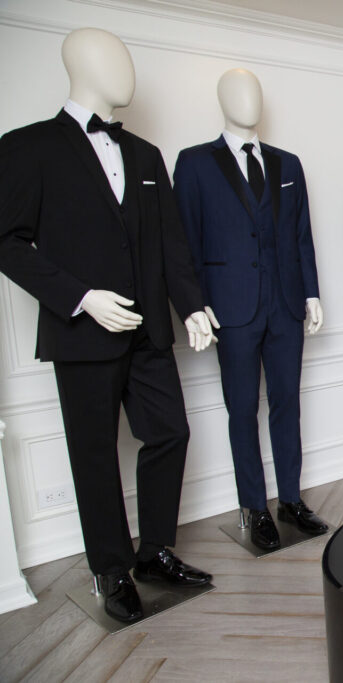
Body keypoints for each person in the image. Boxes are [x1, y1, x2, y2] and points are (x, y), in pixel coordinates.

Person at [0, 28, 215, 623]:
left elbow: (171, 242)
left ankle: (155, 553)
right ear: (80, 65)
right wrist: (80, 298)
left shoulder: (145, 154)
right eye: (115, 59)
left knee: (170, 433)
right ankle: (111, 569)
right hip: (82, 333)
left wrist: (191, 306)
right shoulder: (28, 147)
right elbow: (8, 242)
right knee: (94, 453)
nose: (129, 72)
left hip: (147, 332)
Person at [173, 68, 328, 550]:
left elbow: (301, 235)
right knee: (241, 409)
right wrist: (195, 303)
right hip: (231, 307)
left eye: (255, 92)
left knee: (287, 403)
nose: (249, 100)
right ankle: (254, 507)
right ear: (222, 100)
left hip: (286, 304)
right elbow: (184, 240)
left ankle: (291, 500)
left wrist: (311, 293)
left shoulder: (288, 164)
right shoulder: (195, 163)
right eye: (239, 92)